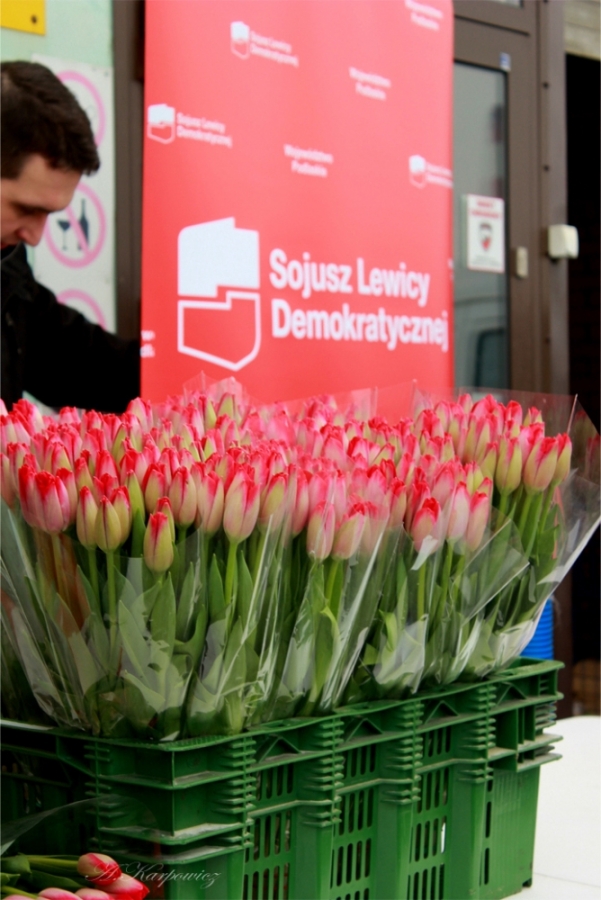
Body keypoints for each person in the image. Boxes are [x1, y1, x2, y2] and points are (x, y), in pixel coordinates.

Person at [1, 61, 140, 412]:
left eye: (49, 214)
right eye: (25, 208)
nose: (34, 236)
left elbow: (73, 359)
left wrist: (175, 365)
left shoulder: (8, 260)